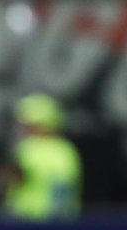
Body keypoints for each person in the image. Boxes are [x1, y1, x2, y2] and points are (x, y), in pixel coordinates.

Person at [4, 93, 81, 221]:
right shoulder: (67, 150)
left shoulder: (28, 149)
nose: (23, 129)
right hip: (60, 221)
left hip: (26, 220)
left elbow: (12, 179)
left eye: (27, 124)